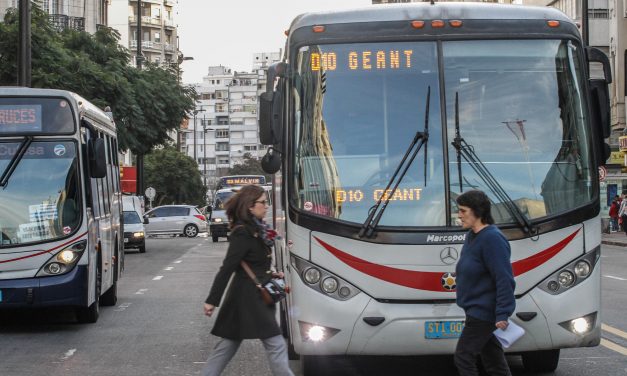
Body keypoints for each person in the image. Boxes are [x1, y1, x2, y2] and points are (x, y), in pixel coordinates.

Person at [201, 184, 293, 376]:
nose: (266, 206)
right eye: (262, 203)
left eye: (266, 202)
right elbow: (228, 267)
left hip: (255, 295)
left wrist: (272, 274)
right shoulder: (242, 232)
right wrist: (212, 300)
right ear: (250, 206)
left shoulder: (260, 229)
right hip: (248, 297)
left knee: (227, 345)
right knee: (275, 343)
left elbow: (256, 263)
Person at [454, 190, 516, 376]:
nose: (459, 215)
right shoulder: (472, 236)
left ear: (478, 212)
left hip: (484, 311)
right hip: (474, 309)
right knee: (493, 359)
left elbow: (504, 278)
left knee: (463, 356)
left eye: (463, 211)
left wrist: (502, 313)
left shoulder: (492, 238)